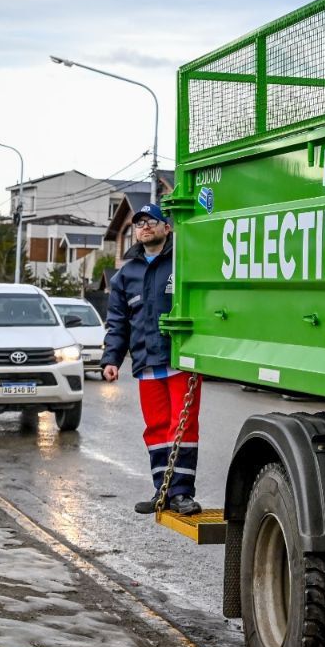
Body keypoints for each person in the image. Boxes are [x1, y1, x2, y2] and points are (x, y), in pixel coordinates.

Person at [102, 203, 202, 516]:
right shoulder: (124, 274)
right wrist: (111, 359)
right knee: (157, 428)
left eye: (152, 222)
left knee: (182, 426)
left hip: (180, 362)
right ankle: (162, 490)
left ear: (166, 227)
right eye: (140, 223)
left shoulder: (183, 263)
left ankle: (182, 493)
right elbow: (118, 321)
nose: (145, 227)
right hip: (146, 364)